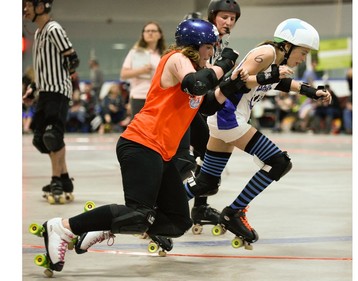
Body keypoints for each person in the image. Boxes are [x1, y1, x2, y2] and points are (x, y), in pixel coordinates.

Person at [35, 18, 239, 273]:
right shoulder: (177, 58)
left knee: (178, 221)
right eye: (210, 47)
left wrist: (233, 83)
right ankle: (63, 227)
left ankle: (104, 225)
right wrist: (224, 63)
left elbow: (206, 103)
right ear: (196, 45)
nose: (212, 53)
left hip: (160, 152)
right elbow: (197, 84)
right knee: (139, 212)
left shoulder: (194, 68)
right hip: (141, 142)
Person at [184, 18, 332, 245]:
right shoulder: (268, 52)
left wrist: (312, 92)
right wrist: (272, 75)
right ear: (287, 44)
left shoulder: (278, 58)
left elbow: (280, 83)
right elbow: (237, 81)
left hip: (227, 119)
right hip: (228, 117)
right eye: (302, 52)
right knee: (279, 162)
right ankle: (234, 212)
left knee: (206, 183)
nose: (303, 58)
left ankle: (158, 208)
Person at [175, 0, 242, 233]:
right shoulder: (202, 39)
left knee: (207, 158)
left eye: (233, 19)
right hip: (190, 106)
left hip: (204, 107)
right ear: (213, 16)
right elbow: (199, 78)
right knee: (195, 160)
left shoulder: (223, 43)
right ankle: (168, 206)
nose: (229, 22)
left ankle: (199, 208)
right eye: (224, 17)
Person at [22, 0, 80, 201]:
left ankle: (56, 179)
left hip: (58, 91)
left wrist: (64, 77)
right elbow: (41, 69)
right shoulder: (38, 33)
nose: (25, 9)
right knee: (40, 140)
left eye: (29, 5)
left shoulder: (54, 29)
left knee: (52, 136)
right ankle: (64, 178)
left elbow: (73, 59)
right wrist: (33, 88)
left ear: (40, 7)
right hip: (45, 92)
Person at [119, 21, 166, 119]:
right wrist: (142, 70)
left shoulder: (163, 54)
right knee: (139, 130)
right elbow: (123, 74)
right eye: (147, 31)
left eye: (153, 31)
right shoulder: (135, 53)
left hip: (159, 97)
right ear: (143, 34)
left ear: (159, 34)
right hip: (139, 96)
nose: (150, 33)